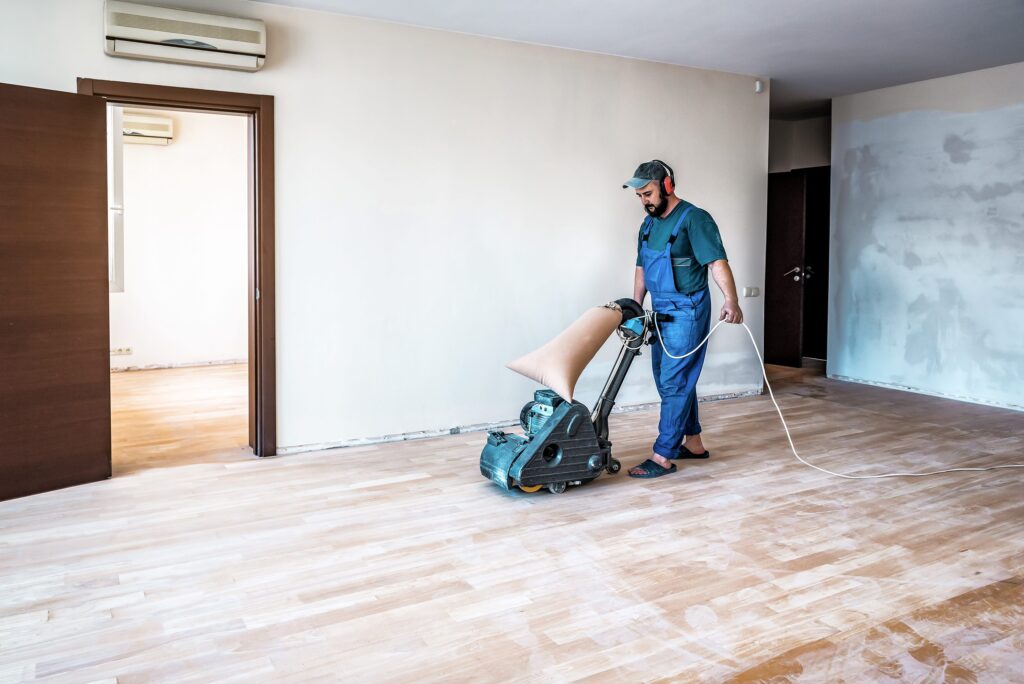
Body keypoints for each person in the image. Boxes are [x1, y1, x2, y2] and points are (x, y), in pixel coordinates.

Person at [623, 160, 743, 478]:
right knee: (669, 379)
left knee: (674, 381)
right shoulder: (647, 226)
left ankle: (663, 455)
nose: (644, 201)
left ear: (667, 186)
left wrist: (731, 299)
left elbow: (717, 262)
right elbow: (641, 268)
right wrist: (635, 307)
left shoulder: (695, 219)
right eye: (639, 196)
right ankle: (693, 443)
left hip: (687, 311)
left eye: (647, 193)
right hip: (659, 311)